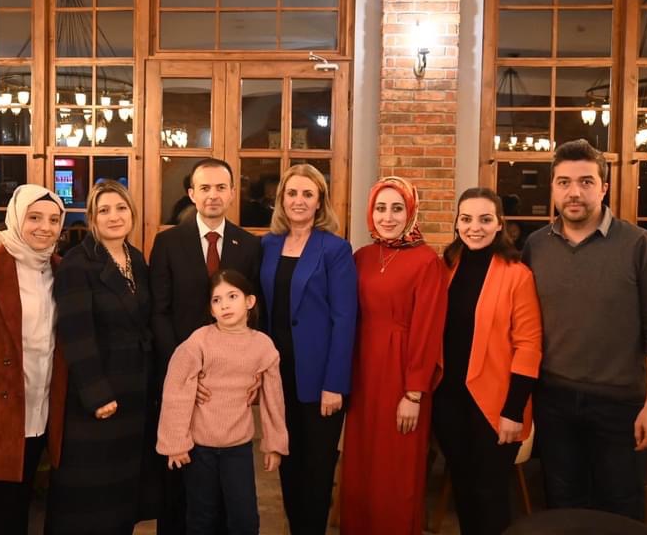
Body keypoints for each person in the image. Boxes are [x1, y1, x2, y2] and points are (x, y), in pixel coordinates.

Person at [522, 139, 647, 520]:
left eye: (586, 182)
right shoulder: (535, 246)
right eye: (564, 182)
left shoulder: (640, 245)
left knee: (620, 511)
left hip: (620, 404)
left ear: (604, 187)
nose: (574, 192)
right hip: (554, 401)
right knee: (563, 506)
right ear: (553, 188)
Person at [150, 158, 262, 534]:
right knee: (179, 486)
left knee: (227, 490)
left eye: (220, 188)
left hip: (229, 388)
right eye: (204, 188)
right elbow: (159, 311)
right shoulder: (167, 242)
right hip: (182, 383)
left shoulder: (249, 245)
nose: (213, 195)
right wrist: (184, 374)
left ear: (232, 193)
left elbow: (254, 311)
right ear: (191, 194)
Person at [48, 180, 160, 534]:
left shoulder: (136, 258)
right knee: (91, 496)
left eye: (121, 208)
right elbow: (75, 334)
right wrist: (97, 394)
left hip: (135, 389)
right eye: (104, 210)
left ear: (132, 213)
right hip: (99, 392)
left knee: (123, 494)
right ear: (92, 219)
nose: (114, 217)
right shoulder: (78, 263)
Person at [340, 176, 447, 534]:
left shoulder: (427, 261)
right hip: (362, 371)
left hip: (402, 374)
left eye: (397, 208)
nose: (387, 217)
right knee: (361, 463)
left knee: (396, 469)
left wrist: (413, 393)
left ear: (411, 212)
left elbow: (428, 331)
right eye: (380, 208)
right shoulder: (361, 257)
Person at [433, 187, 543, 535]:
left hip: (496, 405)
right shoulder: (445, 268)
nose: (474, 227)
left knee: (490, 494)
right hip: (448, 400)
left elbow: (529, 346)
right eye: (466, 219)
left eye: (484, 219)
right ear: (457, 223)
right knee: (463, 491)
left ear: (499, 224)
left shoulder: (517, 274)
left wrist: (514, 410)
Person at [0, 184, 67, 534]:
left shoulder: (60, 269)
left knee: (21, 504)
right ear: (16, 218)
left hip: (39, 405)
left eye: (53, 220)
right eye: (34, 217)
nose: (45, 227)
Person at [259, 163, 357, 535]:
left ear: (319, 202)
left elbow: (345, 319)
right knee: (288, 462)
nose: (298, 201)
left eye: (307, 194)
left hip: (320, 379)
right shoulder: (268, 245)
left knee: (316, 471)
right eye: (292, 193)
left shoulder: (335, 249)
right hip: (278, 374)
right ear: (281, 199)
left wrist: (335, 384)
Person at [156, 269, 288, 535]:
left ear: (249, 301)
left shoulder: (263, 346)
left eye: (232, 296)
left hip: (238, 448)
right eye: (217, 300)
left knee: (244, 518)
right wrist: (175, 443)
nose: (225, 305)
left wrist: (274, 444)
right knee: (201, 517)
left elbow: (274, 398)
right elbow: (176, 390)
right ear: (211, 309)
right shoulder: (199, 341)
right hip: (200, 448)